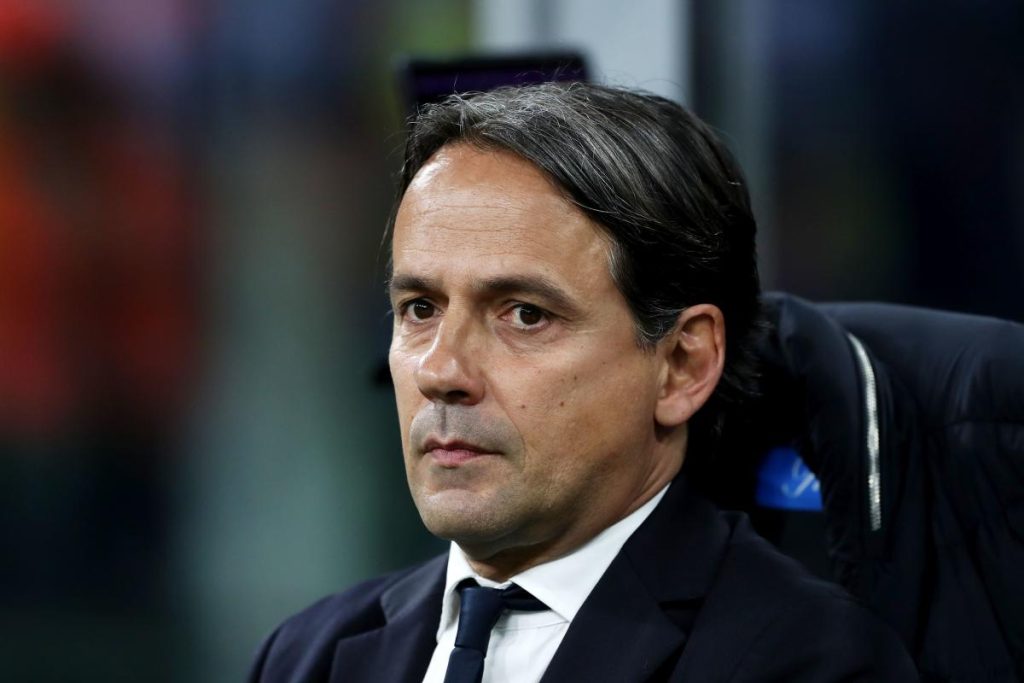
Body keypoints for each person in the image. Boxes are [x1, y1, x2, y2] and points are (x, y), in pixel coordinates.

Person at [247, 83, 917, 682]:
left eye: (524, 315)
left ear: (682, 365)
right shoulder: (309, 656)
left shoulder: (810, 662)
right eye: (420, 309)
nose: (440, 371)